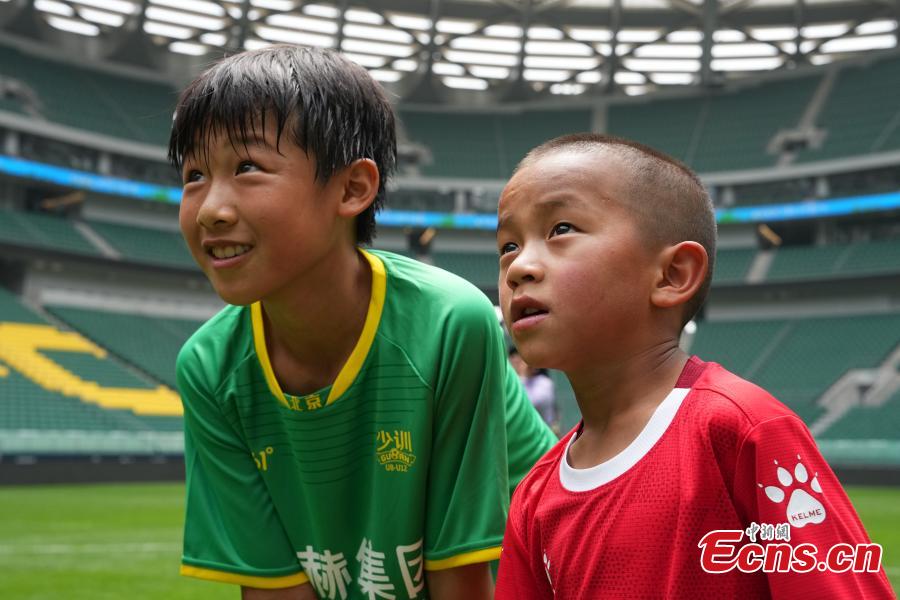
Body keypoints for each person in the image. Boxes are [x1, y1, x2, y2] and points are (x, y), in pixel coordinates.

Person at [168, 45, 556, 600]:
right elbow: (275, 589)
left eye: (247, 167)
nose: (209, 208)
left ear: (353, 189)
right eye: (194, 175)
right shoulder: (209, 369)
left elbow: (463, 578)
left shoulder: (449, 324)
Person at [493, 133, 893, 598]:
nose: (519, 266)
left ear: (672, 275)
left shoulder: (742, 430)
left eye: (560, 229)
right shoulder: (535, 492)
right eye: (507, 246)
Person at [509, 347, 558, 434]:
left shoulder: (545, 383)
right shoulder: (511, 382)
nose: (516, 361)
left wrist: (523, 375)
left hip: (541, 435)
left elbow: (527, 405)